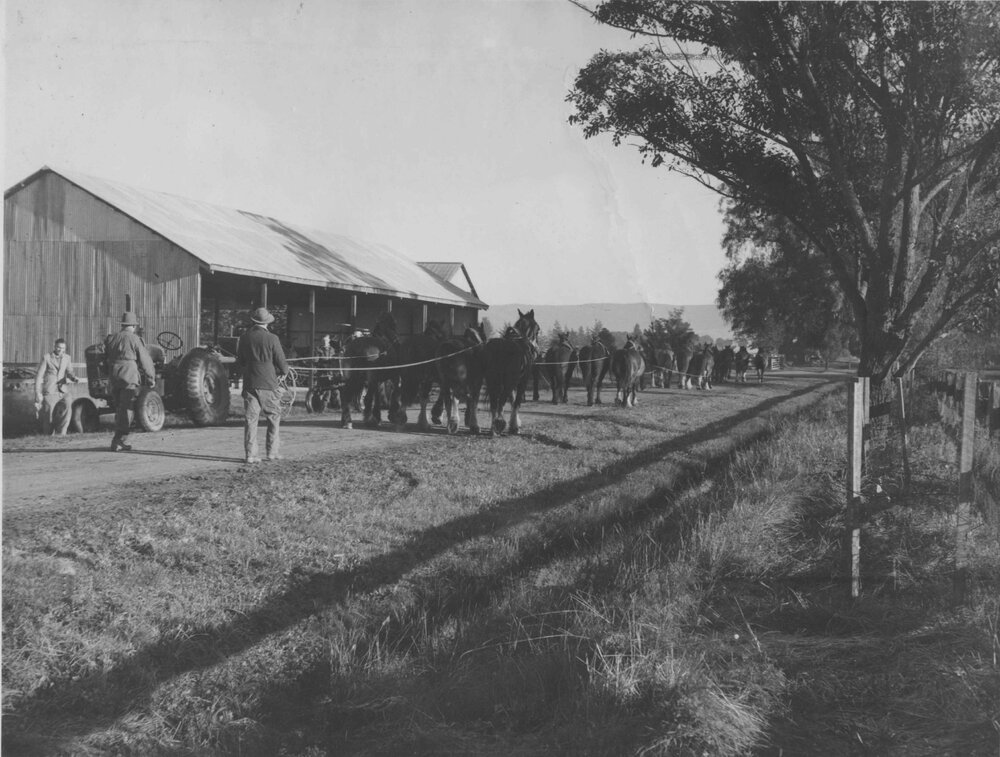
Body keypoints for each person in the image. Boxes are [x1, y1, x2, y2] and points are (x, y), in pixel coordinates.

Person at [235, 307, 289, 463]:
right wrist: (284, 370)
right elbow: (280, 360)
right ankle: (272, 452)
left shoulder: (244, 338)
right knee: (273, 416)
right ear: (267, 323)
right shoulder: (273, 338)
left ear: (254, 321)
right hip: (268, 383)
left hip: (250, 382)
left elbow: (241, 362)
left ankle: (250, 455)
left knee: (251, 419)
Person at [104, 312, 156, 451]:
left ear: (123, 325)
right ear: (132, 326)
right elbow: (145, 360)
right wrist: (151, 377)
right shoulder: (135, 339)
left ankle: (118, 437)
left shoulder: (111, 338)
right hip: (129, 375)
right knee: (127, 408)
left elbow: (104, 357)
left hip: (114, 376)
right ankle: (119, 439)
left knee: (119, 407)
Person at [34, 338, 80, 435]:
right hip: (50, 390)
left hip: (63, 390)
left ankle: (61, 434)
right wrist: (37, 392)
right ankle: (48, 436)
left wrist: (74, 378)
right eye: (58, 347)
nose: (60, 350)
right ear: (54, 347)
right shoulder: (46, 357)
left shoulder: (67, 358)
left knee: (67, 408)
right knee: (48, 415)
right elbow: (39, 376)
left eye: (63, 348)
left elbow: (70, 371)